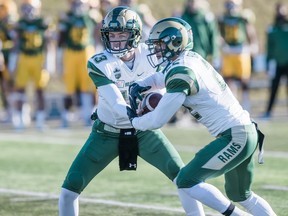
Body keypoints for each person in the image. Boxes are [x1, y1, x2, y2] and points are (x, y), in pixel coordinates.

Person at [58, 7, 205, 216]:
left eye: (122, 34)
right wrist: (149, 113)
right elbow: (118, 105)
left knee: (184, 178)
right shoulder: (99, 62)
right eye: (113, 35)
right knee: (70, 188)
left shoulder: (151, 53)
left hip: (144, 131)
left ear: (135, 35)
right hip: (107, 133)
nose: (116, 40)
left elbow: (168, 80)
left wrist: (160, 102)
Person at [127, 17, 277, 216]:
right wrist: (142, 84)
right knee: (241, 195)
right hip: (246, 130)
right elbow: (162, 77)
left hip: (235, 136)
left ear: (174, 43)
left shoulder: (182, 71)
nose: (156, 50)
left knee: (186, 180)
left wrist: (134, 121)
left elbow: (157, 120)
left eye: (160, 44)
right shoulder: (190, 59)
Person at [57, 0, 97, 127]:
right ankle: (66, 116)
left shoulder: (92, 15)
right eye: (76, 3)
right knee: (69, 86)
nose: (78, 6)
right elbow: (61, 37)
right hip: (70, 52)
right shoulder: (66, 17)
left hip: (86, 50)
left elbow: (100, 32)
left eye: (81, 3)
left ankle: (89, 115)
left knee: (88, 85)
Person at [12, 0, 50, 130]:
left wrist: (48, 60)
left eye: (31, 7)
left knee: (40, 90)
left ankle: (40, 120)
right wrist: (13, 61)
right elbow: (16, 44)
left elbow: (47, 42)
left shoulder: (42, 23)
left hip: (38, 58)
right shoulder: (20, 24)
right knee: (20, 90)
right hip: (23, 57)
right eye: (26, 7)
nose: (29, 10)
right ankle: (20, 119)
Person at [218, 0, 258, 111]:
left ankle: (246, 103)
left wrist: (254, 44)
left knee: (244, 79)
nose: (231, 7)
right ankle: (233, 104)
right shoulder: (222, 18)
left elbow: (250, 31)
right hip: (228, 51)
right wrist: (221, 42)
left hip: (241, 50)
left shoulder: (243, 16)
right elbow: (219, 33)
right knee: (228, 79)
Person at [262, 2, 288, 119]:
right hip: (277, 63)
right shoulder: (272, 29)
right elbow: (269, 48)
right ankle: (268, 111)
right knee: (273, 89)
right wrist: (268, 64)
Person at [0, 0, 18, 122]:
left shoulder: (10, 22)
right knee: (4, 86)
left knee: (11, 85)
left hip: (9, 56)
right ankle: (8, 110)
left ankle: (15, 111)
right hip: (2, 56)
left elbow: (15, 40)